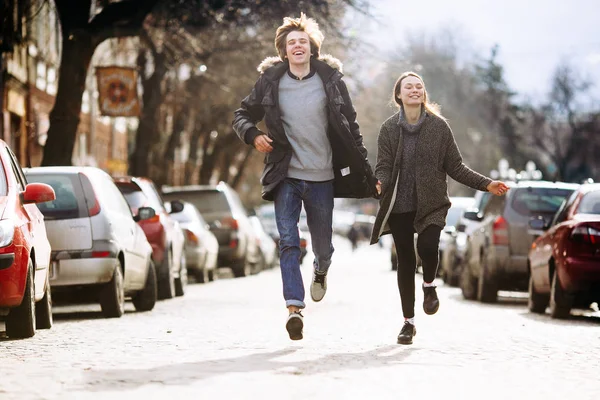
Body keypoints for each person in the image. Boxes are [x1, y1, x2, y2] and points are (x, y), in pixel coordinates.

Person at [232, 13, 378, 341]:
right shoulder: (270, 81)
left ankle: (321, 270)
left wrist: (367, 174)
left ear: (312, 49)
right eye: (291, 43)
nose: (297, 46)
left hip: (322, 176)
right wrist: (253, 135)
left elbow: (351, 129)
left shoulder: (331, 81)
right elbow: (242, 114)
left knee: (323, 246)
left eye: (303, 42)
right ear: (283, 51)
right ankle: (294, 308)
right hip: (286, 174)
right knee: (288, 241)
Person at [369, 71, 509, 345]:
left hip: (431, 203)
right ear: (398, 95)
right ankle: (408, 323)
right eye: (408, 87)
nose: (414, 90)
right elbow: (384, 166)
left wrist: (487, 184)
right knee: (406, 261)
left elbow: (455, 167)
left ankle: (430, 285)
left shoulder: (439, 128)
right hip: (399, 205)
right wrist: (380, 184)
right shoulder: (388, 129)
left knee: (429, 247)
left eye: (419, 86)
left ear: (424, 94)